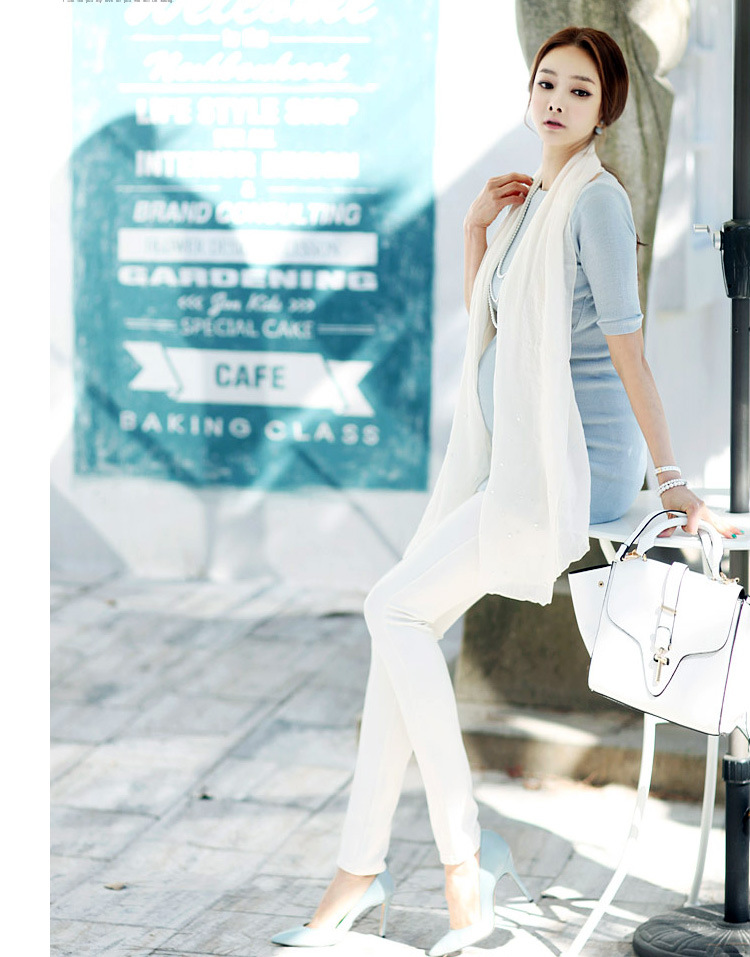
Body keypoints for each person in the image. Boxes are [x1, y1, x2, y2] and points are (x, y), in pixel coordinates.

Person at [271, 24, 744, 955]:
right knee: (398, 629)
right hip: (512, 458)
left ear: (605, 110)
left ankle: (458, 861)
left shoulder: (595, 202)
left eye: (580, 90)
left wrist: (673, 481)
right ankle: (361, 869)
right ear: (530, 92)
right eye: (547, 82)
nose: (558, 100)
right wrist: (475, 233)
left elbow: (629, 353)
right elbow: (493, 324)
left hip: (568, 465)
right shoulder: (532, 202)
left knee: (391, 609)